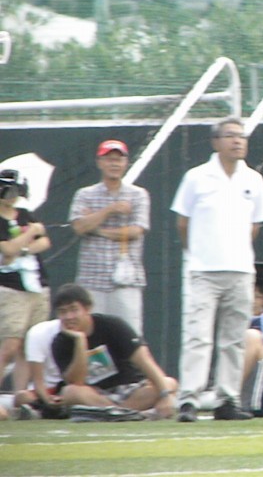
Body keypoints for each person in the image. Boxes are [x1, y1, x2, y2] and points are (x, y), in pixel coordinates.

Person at [171, 117, 263, 422]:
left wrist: (235, 253)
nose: (237, 141)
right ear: (216, 142)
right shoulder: (196, 177)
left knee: (234, 339)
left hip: (241, 272)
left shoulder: (253, 179)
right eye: (230, 135)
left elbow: (255, 225)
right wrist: (199, 254)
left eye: (241, 136)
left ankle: (226, 400)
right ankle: (188, 401)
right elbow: (182, 223)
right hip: (203, 272)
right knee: (198, 337)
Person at [50, 283, 177, 419]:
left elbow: (145, 361)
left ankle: (116, 413)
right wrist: (80, 341)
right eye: (63, 312)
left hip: (130, 389)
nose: (69, 317)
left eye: (74, 310)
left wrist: (165, 396)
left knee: (168, 383)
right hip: (96, 395)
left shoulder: (112, 325)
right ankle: (127, 413)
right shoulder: (60, 342)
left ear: (87, 309)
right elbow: (77, 382)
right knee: (70, 392)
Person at [69, 139, 150, 334]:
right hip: (92, 280)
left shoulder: (138, 195)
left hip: (126, 281)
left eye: (118, 159)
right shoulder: (84, 195)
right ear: (99, 162)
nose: (114, 164)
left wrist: (97, 229)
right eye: (109, 159)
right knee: (91, 336)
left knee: (129, 337)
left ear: (126, 163)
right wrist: (111, 209)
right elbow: (79, 227)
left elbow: (136, 231)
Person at [0, 169, 51, 394]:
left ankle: (19, 396)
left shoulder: (25, 214)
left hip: (37, 285)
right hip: (11, 288)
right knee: (10, 345)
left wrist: (23, 248)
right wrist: (30, 234)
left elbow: (44, 242)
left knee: (29, 346)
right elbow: (7, 248)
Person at [13, 318, 66, 419]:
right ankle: (44, 411)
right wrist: (48, 399)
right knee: (22, 396)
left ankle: (41, 413)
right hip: (47, 391)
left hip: (69, 389)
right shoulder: (39, 333)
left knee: (72, 392)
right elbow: (38, 381)